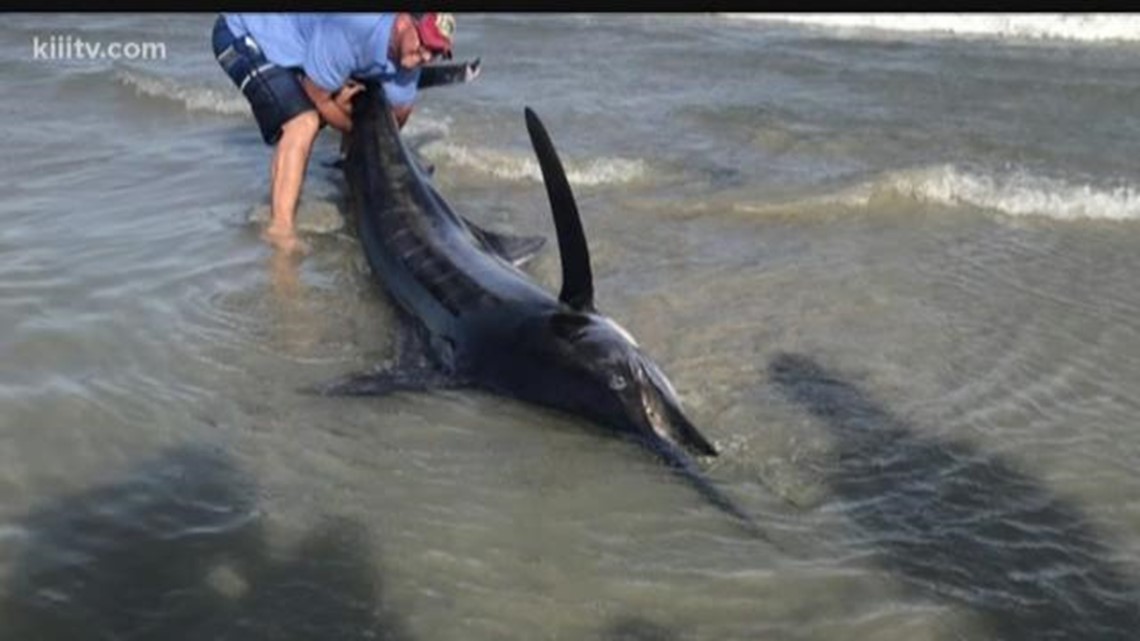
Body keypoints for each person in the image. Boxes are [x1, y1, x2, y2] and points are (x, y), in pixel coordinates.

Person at [211, 13, 456, 254]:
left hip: (305, 46)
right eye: (424, 44)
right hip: (245, 34)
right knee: (304, 121)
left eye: (436, 51)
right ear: (403, 22)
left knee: (351, 102)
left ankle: (349, 179)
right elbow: (316, 94)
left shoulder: (410, 58)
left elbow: (396, 115)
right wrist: (354, 126)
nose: (426, 56)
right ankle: (280, 231)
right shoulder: (355, 26)